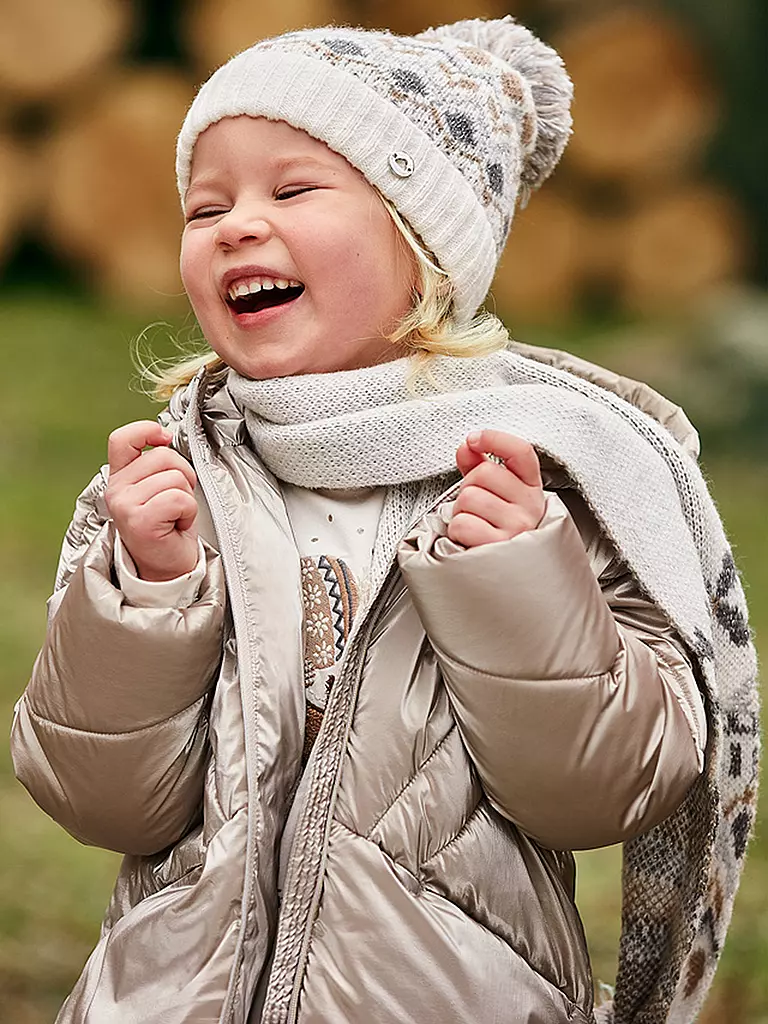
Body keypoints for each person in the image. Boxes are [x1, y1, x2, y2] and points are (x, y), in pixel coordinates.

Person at [11, 16, 758, 1024]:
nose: (236, 224)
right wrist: (145, 594)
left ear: (423, 249)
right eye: (206, 205)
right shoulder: (167, 490)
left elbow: (599, 793)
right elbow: (99, 797)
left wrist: (519, 588)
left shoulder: (539, 491)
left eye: (293, 190)